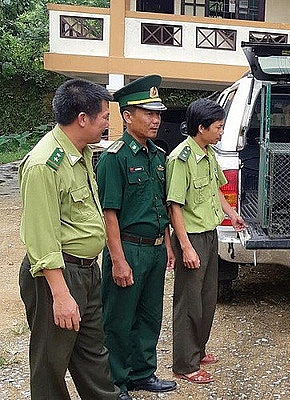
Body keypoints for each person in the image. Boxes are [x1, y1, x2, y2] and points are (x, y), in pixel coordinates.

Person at [18, 78, 120, 399]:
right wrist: (60, 295)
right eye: (104, 116)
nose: (107, 122)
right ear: (82, 119)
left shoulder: (81, 152)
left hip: (87, 272)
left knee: (93, 356)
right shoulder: (44, 164)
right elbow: (41, 236)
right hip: (57, 276)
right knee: (51, 364)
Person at [95, 75, 177, 399]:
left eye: (158, 113)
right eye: (148, 113)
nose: (156, 119)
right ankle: (116, 381)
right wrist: (118, 260)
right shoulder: (115, 157)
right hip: (128, 248)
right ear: (128, 116)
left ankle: (143, 373)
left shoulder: (158, 157)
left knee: (149, 315)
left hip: (155, 250)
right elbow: (108, 213)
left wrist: (168, 246)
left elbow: (162, 207)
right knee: (118, 320)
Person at [166, 98, 246, 384]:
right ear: (201, 128)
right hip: (192, 237)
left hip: (209, 234)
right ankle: (184, 365)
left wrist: (232, 214)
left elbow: (216, 189)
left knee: (207, 297)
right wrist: (185, 246)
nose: (222, 132)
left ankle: (198, 350)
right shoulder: (181, 158)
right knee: (189, 302)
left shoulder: (207, 152)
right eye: (218, 127)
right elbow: (174, 205)